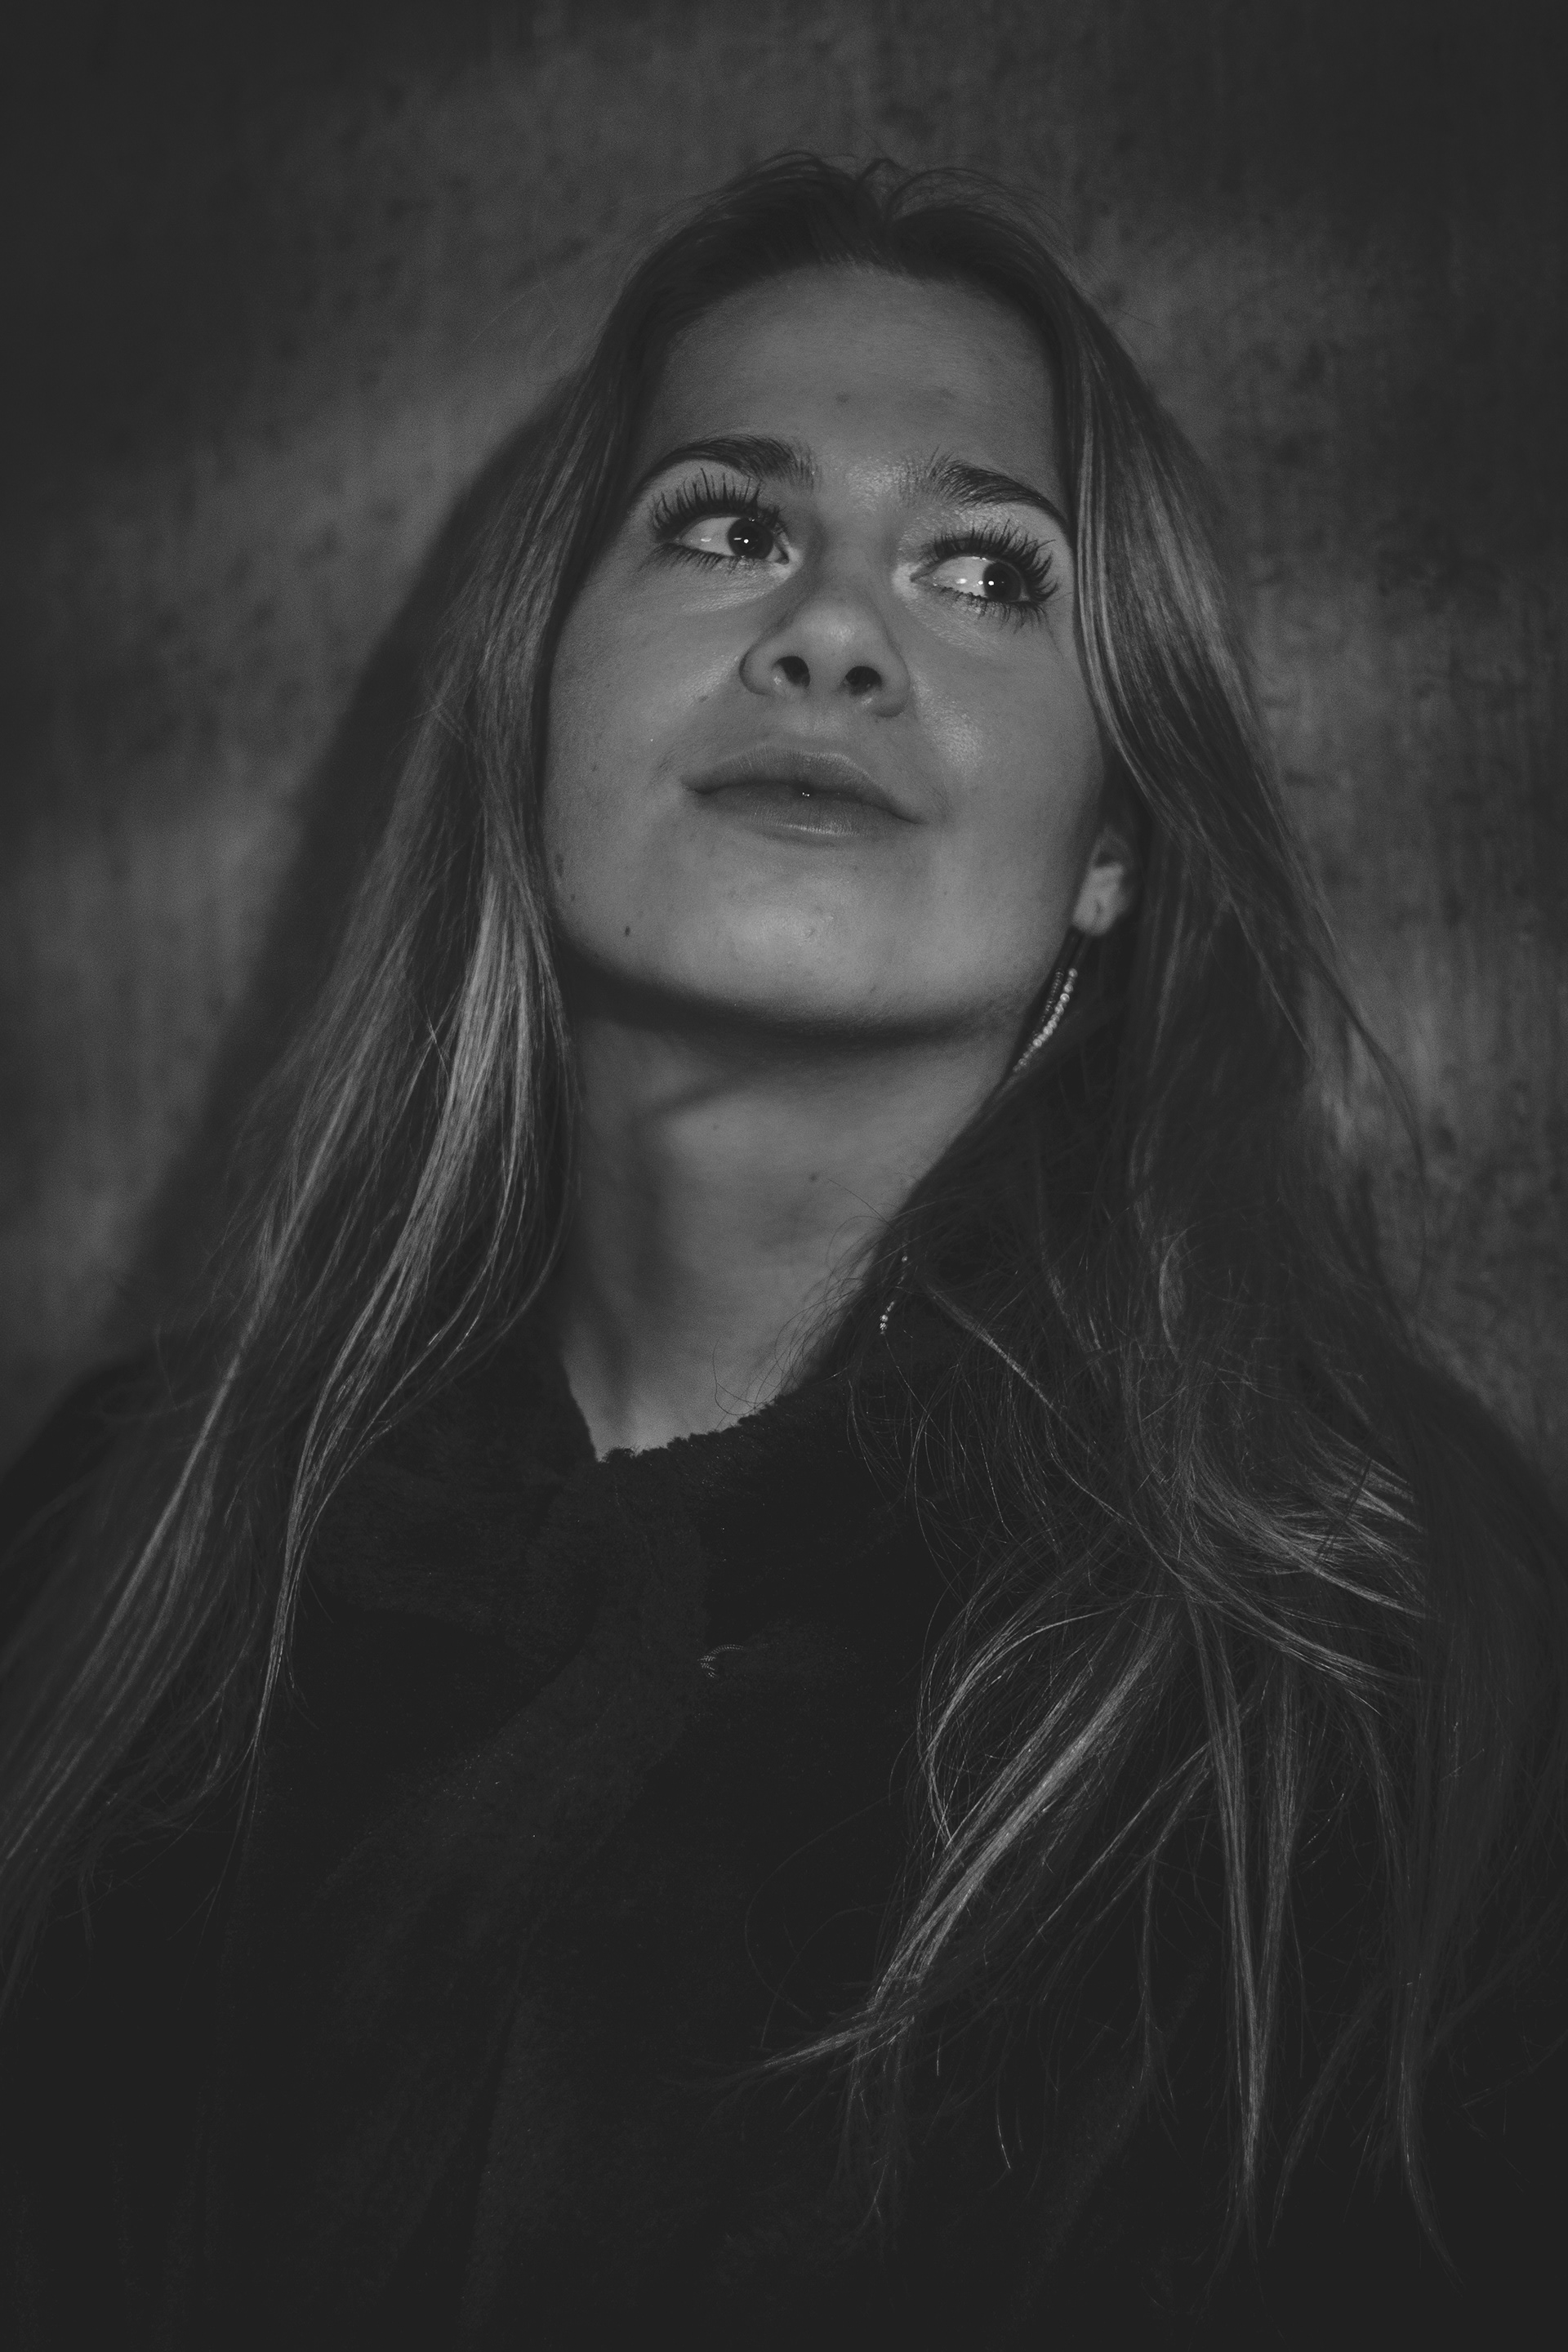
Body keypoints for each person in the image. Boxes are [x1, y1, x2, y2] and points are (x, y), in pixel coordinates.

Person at [0, 154, 1563, 2348]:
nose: (830, 633)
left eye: (988, 572)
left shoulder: (1385, 1658)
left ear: (1113, 847)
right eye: (727, 526)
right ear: (536, 708)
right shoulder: (119, 1541)